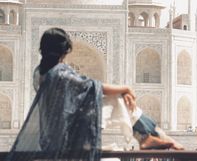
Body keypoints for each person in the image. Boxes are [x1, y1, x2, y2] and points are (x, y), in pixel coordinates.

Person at [7, 27, 136, 161]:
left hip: (49, 137)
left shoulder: (40, 73)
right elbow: (93, 86)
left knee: (112, 96)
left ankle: (144, 131)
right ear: (64, 51)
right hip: (67, 138)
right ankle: (144, 133)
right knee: (114, 97)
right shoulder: (60, 73)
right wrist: (126, 88)